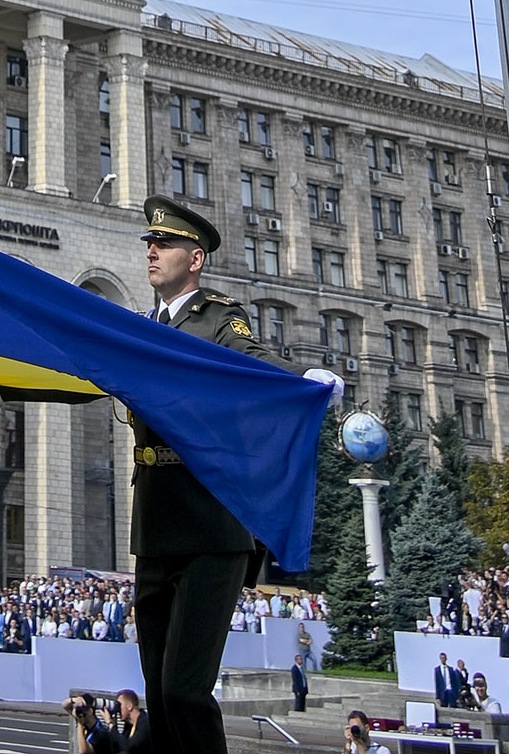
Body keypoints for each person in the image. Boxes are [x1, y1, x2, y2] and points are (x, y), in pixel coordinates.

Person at [126, 195, 345, 754]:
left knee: (184, 690)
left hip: (209, 524)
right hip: (153, 524)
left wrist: (303, 376)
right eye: (149, 243)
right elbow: (85, 369)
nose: (151, 251)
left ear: (194, 258)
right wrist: (2, 383)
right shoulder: (141, 326)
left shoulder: (220, 318)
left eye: (164, 244)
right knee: (158, 690)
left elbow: (249, 363)